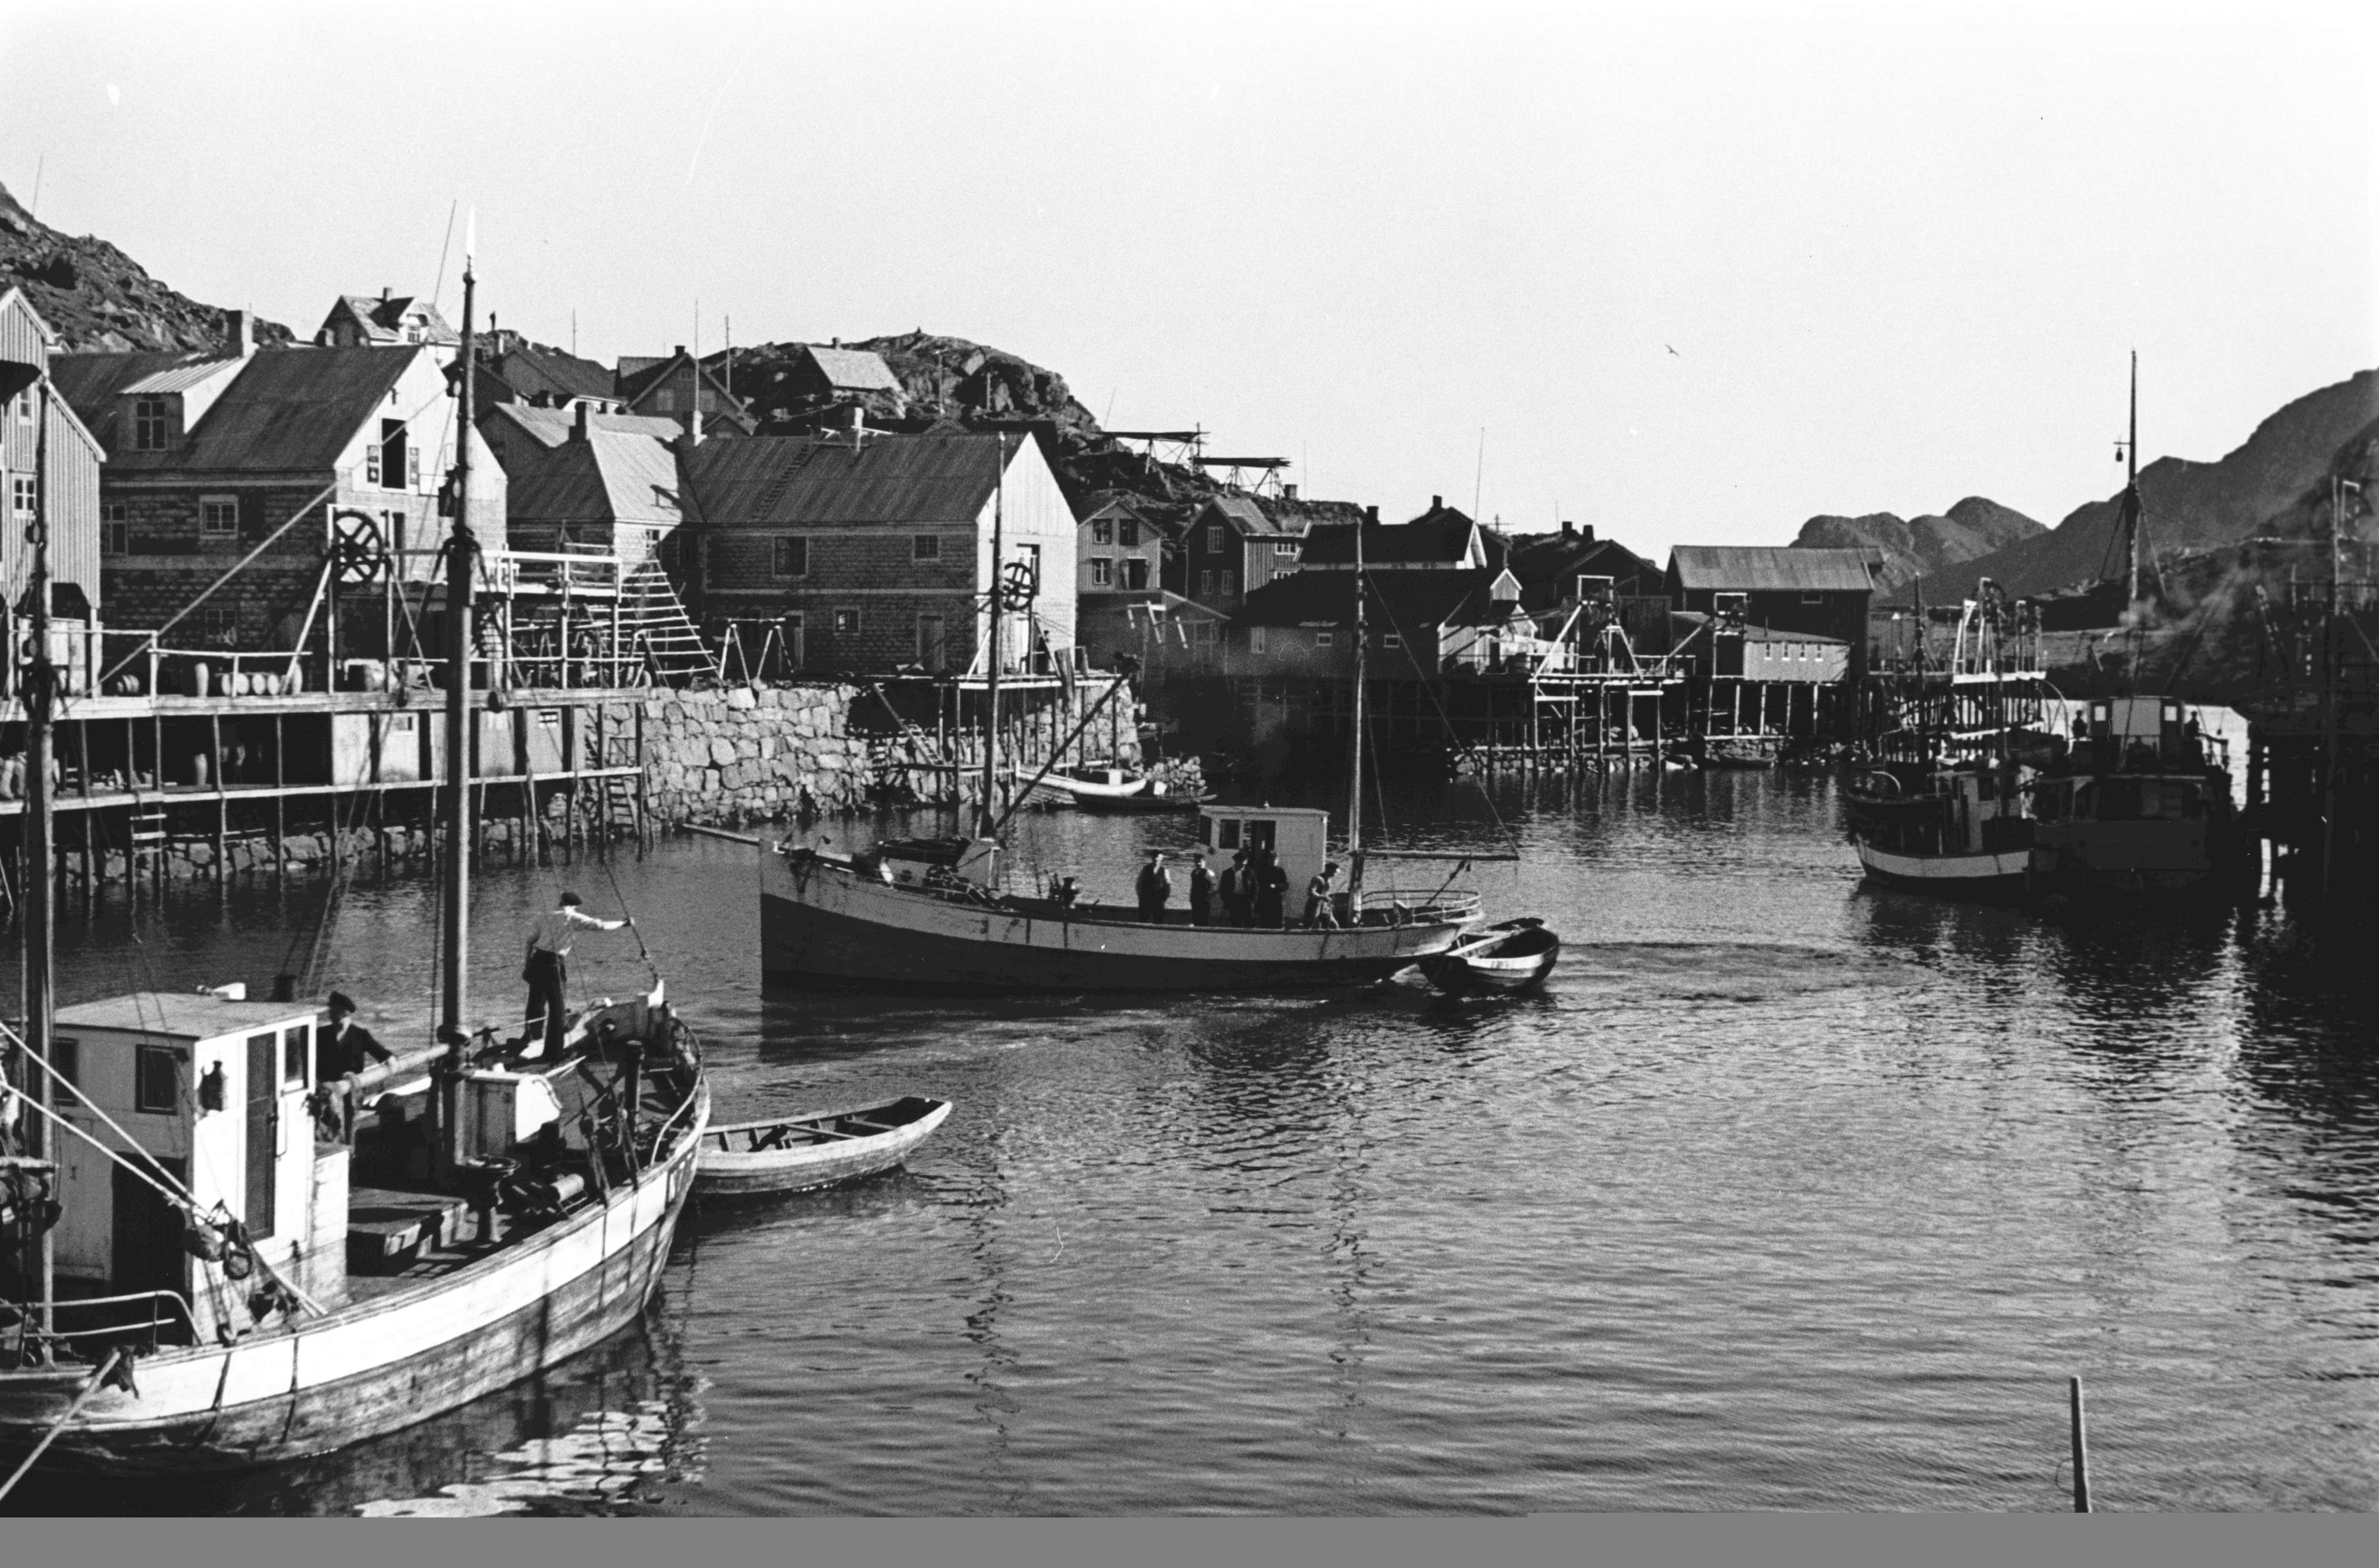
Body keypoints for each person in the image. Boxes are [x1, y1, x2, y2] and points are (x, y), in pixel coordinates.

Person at [522, 891, 630, 1058]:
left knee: (535, 1004)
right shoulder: (573, 918)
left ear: (560, 902)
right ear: (576, 906)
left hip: (537, 962)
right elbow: (601, 926)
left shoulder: (543, 916)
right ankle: (553, 1053)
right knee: (558, 1008)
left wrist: (526, 966)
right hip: (553, 964)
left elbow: (529, 942)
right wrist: (623, 923)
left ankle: (531, 1039)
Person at [316, 991, 393, 1082]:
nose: (330, 1015)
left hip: (354, 1088)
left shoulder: (361, 1035)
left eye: (337, 1013)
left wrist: (391, 1060)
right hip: (328, 1087)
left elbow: (382, 1054)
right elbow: (315, 1066)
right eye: (331, 1012)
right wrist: (340, 1075)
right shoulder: (321, 1034)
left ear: (346, 1015)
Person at [1253, 849, 1288, 929]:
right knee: (1264, 922)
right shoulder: (1262, 871)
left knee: (1277, 923)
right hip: (1265, 899)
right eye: (1271, 859)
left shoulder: (1280, 871)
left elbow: (1285, 885)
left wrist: (1276, 886)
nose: (1274, 861)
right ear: (1268, 860)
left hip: (1277, 899)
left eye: (1275, 859)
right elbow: (1260, 884)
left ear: (1278, 860)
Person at [1134, 850, 1172, 923]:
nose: (1156, 859)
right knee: (1143, 920)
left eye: (1158, 857)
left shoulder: (1164, 871)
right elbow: (1139, 883)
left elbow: (1168, 887)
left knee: (1158, 920)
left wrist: (1164, 898)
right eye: (1154, 857)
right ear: (1152, 857)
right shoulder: (1145, 869)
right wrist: (1140, 896)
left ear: (1162, 858)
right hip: (1146, 899)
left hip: (1158, 900)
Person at [1305, 862, 1342, 929]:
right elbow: (1311, 892)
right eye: (1335, 872)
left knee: (1334, 926)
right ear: (1330, 870)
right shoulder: (1318, 879)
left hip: (1325, 907)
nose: (1336, 874)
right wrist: (1322, 897)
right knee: (1310, 926)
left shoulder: (1329, 880)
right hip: (1314, 906)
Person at [1219, 850, 1249, 926]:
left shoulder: (1249, 873)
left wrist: (1252, 901)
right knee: (1235, 922)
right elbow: (1223, 890)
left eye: (1244, 861)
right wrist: (1226, 902)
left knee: (1247, 922)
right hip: (1233, 900)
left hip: (1246, 900)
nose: (1243, 863)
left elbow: (1255, 888)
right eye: (1241, 861)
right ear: (1236, 861)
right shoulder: (1227, 873)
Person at [1187, 852, 1214, 926]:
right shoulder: (1193, 873)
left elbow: (1215, 886)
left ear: (1204, 862)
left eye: (1200, 861)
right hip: (1195, 899)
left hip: (1204, 899)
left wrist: (1209, 896)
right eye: (1196, 861)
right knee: (1196, 918)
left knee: (1204, 918)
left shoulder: (1209, 873)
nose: (1198, 863)